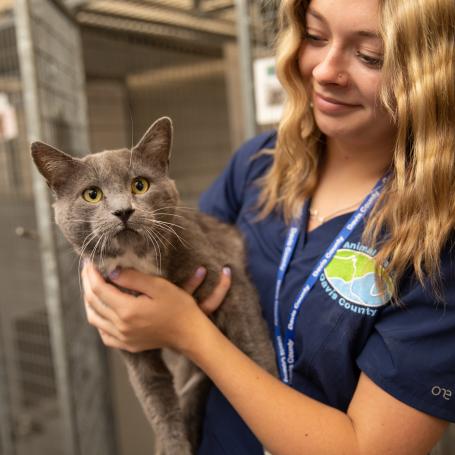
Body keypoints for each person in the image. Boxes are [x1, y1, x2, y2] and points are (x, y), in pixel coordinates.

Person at [81, 0, 455, 453]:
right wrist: (107, 283)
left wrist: (189, 333)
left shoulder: (438, 239)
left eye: (369, 56)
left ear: (431, 72)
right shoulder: (259, 164)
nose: (324, 71)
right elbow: (169, 261)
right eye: (315, 37)